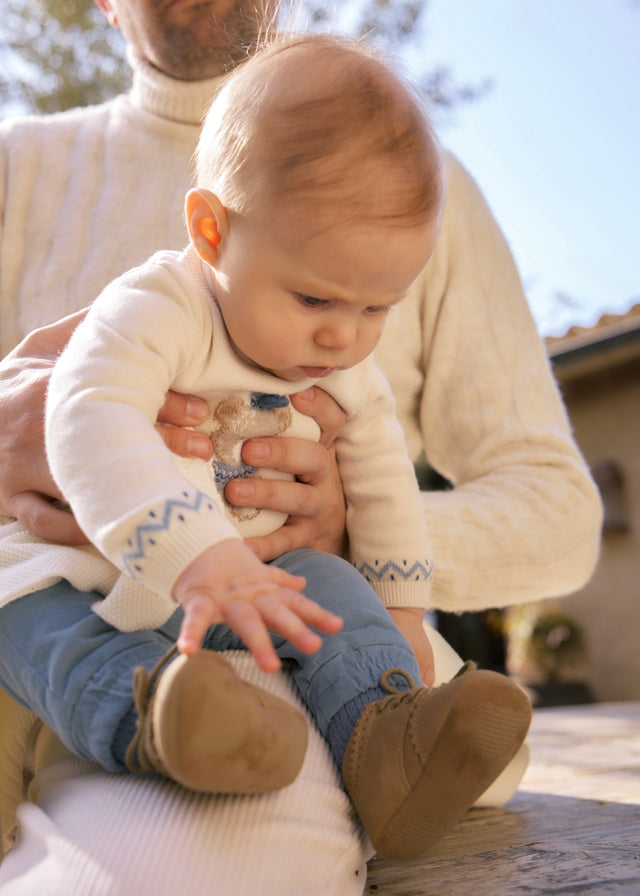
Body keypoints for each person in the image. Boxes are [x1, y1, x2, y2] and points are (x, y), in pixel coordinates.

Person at [0, 0, 601, 891]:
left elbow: (557, 511)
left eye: (375, 310)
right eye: (317, 301)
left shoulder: (409, 179)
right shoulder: (25, 175)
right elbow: (96, 409)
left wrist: (347, 545)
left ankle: (381, 739)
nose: (346, 336)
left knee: (178, 860)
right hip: (56, 606)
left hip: (253, 650)